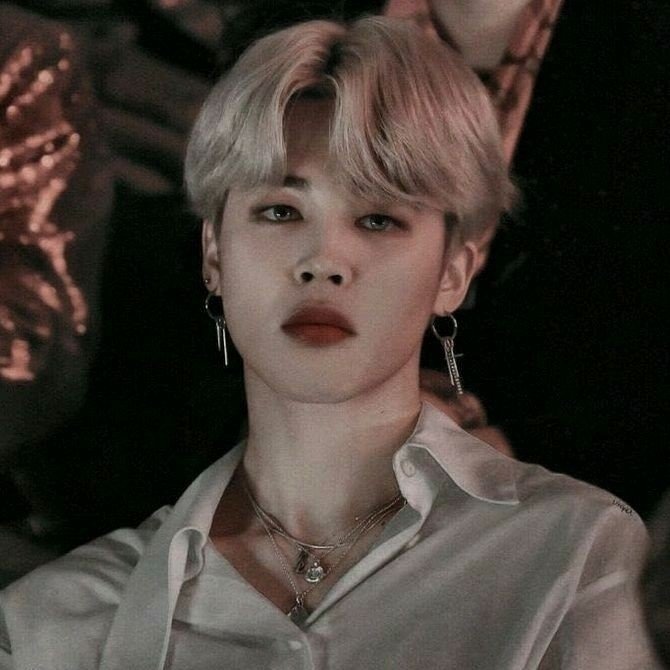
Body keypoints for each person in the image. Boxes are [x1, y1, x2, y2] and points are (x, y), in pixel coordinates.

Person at [0, 16, 659, 669]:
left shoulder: (576, 553)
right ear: (215, 253)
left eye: (378, 219)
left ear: (454, 270)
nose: (324, 261)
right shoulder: (52, 624)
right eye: (281, 211)